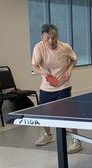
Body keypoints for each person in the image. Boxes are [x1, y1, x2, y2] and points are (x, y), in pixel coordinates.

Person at [31, 24, 83, 154]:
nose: (50, 41)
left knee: (67, 113)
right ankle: (48, 135)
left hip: (63, 86)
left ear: (57, 36)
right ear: (42, 37)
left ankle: (77, 141)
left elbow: (74, 60)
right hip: (46, 87)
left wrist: (69, 70)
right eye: (47, 38)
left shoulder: (65, 47)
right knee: (43, 113)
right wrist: (45, 74)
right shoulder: (39, 47)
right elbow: (35, 65)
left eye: (53, 37)